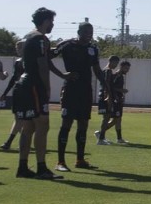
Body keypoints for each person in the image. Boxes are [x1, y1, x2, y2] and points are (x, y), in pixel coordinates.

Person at [12, 7, 71, 179]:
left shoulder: (29, 36)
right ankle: (41, 168)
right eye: (51, 21)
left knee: (28, 127)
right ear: (45, 21)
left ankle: (22, 167)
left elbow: (44, 60)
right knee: (42, 126)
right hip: (34, 85)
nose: (53, 24)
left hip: (24, 84)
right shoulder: (40, 38)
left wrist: (61, 75)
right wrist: (47, 88)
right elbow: (42, 65)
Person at [51, 22, 107, 171]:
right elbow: (47, 57)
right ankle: (60, 162)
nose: (89, 34)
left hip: (85, 91)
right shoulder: (67, 45)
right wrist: (62, 74)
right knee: (66, 124)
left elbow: (97, 70)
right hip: (70, 90)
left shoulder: (93, 48)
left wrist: (107, 88)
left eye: (91, 31)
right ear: (79, 31)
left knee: (83, 124)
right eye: (86, 31)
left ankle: (80, 160)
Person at [0, 40, 25, 150]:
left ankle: (8, 142)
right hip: (17, 91)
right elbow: (14, 78)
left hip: (26, 91)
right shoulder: (18, 62)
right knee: (17, 118)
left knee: (20, 119)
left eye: (20, 47)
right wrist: (5, 93)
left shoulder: (31, 60)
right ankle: (24, 140)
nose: (17, 50)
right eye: (16, 48)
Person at [96, 60, 130, 144]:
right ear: (121, 67)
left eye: (128, 68)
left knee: (118, 119)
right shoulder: (116, 75)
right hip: (114, 100)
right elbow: (110, 87)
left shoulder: (120, 76)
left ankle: (118, 138)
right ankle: (102, 135)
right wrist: (121, 91)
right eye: (126, 68)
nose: (127, 70)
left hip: (117, 99)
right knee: (114, 118)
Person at [94, 56, 120, 145]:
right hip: (105, 96)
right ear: (111, 61)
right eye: (116, 63)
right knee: (106, 117)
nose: (116, 65)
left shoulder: (105, 70)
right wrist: (109, 96)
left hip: (104, 95)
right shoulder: (108, 71)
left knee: (107, 117)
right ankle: (100, 139)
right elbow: (107, 84)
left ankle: (102, 137)